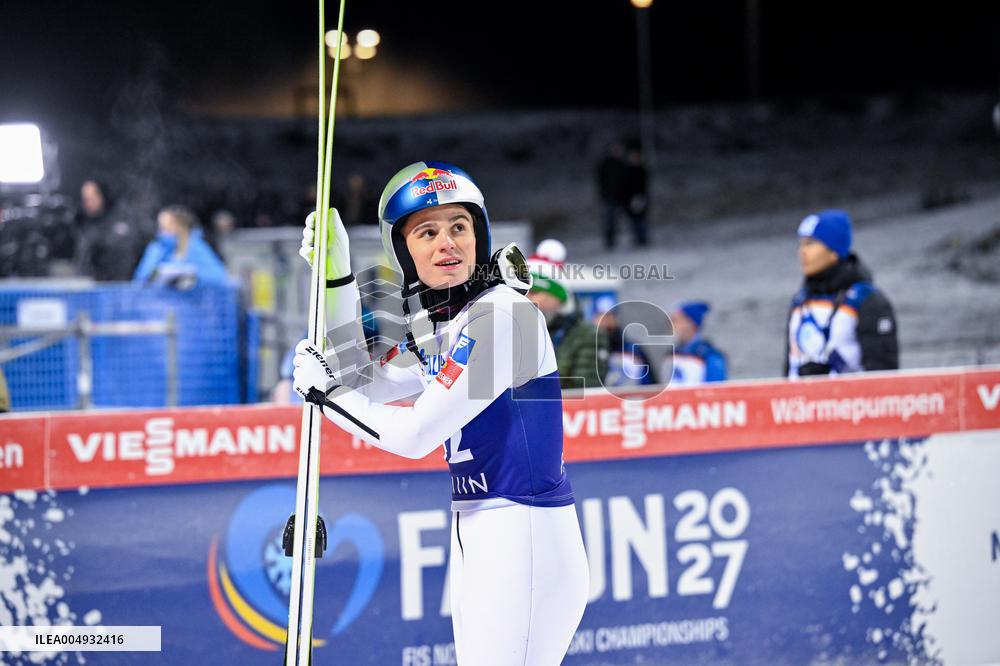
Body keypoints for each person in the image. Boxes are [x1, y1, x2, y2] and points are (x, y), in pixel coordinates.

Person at [292, 162, 589, 665]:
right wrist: (337, 273)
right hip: (483, 533)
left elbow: (414, 434)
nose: (446, 243)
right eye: (427, 232)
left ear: (480, 235)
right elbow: (358, 374)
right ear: (404, 252)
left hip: (523, 536)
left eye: (459, 227)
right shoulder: (444, 325)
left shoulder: (504, 317)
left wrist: (326, 397)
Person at [785, 210, 899, 377]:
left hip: (848, 401)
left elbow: (883, 377)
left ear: (834, 251)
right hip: (798, 401)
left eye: (810, 244)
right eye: (801, 244)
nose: (802, 252)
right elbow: (787, 368)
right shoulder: (800, 301)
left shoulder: (867, 301)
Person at [526, 249, 609, 391]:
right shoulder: (517, 332)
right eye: (523, 293)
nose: (527, 299)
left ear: (558, 297)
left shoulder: (587, 335)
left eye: (533, 292)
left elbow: (585, 389)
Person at [133, 205, 228, 288]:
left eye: (167, 226)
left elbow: (218, 276)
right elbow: (140, 279)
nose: (163, 230)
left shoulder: (195, 247)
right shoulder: (156, 248)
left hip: (191, 303)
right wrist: (155, 274)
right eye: (161, 226)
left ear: (180, 226)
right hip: (159, 303)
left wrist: (192, 277)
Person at [74, 179, 146, 281]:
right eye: (85, 199)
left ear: (102, 196)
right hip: (91, 288)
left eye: (92, 198)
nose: (88, 203)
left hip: (119, 287)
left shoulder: (123, 219)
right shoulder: (84, 224)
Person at [592, 295, 657, 387]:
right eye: (602, 316)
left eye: (611, 316)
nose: (607, 321)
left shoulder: (633, 350)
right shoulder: (587, 351)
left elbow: (649, 386)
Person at [662, 300, 727, 387]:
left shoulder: (709, 356)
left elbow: (714, 391)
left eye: (675, 320)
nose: (671, 325)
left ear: (690, 324)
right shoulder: (670, 355)